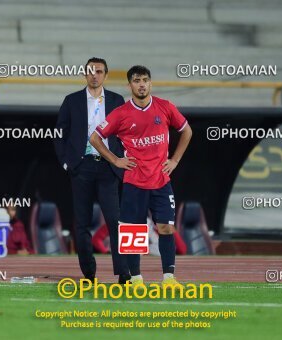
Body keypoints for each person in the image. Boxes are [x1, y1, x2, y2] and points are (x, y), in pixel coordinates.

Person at [90, 65, 193, 288]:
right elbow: (95, 138)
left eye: (145, 80)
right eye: (137, 81)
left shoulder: (165, 107)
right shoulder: (121, 114)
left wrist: (174, 160)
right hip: (135, 182)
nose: (142, 84)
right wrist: (116, 160)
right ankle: (136, 279)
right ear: (130, 85)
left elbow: (187, 131)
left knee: (166, 228)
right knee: (133, 232)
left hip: (161, 181)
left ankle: (169, 278)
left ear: (150, 83)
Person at [55, 57, 134, 283]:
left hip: (109, 167)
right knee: (82, 223)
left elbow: (127, 132)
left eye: (99, 71)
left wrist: (125, 157)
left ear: (106, 75)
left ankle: (124, 273)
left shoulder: (118, 100)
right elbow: (59, 134)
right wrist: (66, 162)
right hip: (81, 166)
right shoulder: (71, 101)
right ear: (85, 74)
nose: (94, 75)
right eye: (91, 71)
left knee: (115, 220)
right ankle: (89, 273)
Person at [92, 218, 188, 255]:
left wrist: (169, 228)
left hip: (153, 268)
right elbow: (96, 239)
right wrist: (106, 252)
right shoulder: (118, 222)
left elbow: (182, 250)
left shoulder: (156, 225)